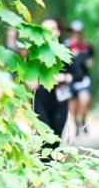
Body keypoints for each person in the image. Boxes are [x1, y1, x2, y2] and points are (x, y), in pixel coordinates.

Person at [31, 19, 78, 156]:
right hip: (40, 98)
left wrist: (63, 78)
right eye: (44, 30)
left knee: (56, 135)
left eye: (52, 29)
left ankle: (51, 169)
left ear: (57, 32)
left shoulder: (64, 52)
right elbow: (25, 75)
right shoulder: (34, 52)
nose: (49, 33)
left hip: (60, 99)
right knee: (45, 133)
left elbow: (78, 74)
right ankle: (44, 166)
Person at [67, 20, 95, 136]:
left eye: (79, 32)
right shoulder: (67, 45)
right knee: (73, 107)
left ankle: (82, 118)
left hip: (84, 79)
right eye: (75, 32)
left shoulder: (88, 46)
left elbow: (91, 61)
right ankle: (77, 124)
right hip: (71, 80)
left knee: (85, 101)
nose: (77, 34)